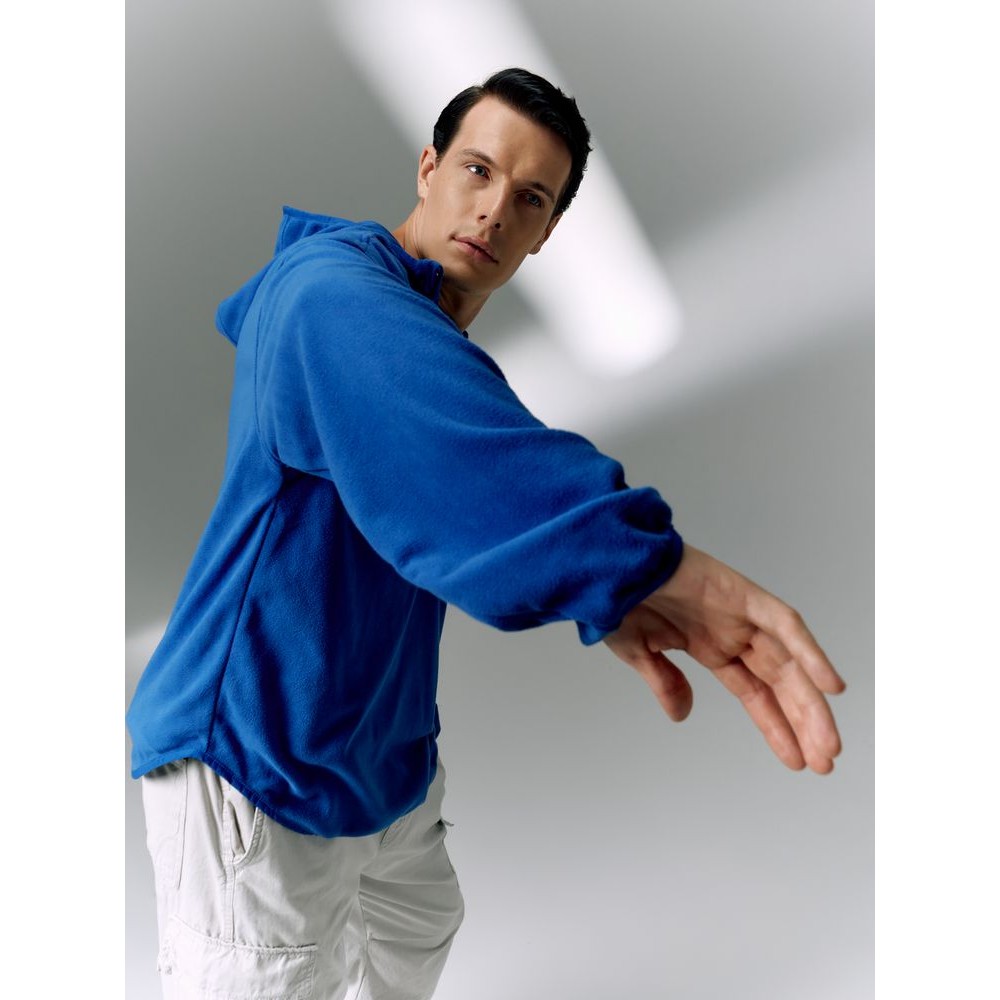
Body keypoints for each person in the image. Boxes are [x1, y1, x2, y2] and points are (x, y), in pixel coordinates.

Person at [127, 67, 845, 999]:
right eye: (478, 169)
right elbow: (470, 463)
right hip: (255, 756)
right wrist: (649, 569)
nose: (495, 209)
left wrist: (600, 593)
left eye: (531, 198)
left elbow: (439, 504)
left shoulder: (421, 333)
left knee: (412, 941)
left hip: (378, 761)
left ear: (545, 233)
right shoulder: (328, 295)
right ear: (429, 167)